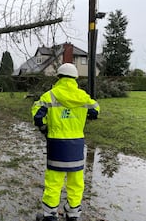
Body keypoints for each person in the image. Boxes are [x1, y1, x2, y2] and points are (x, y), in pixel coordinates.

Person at [31, 63, 100, 221]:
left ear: (59, 77)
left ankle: (49, 215)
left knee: (54, 181)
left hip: (56, 144)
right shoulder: (82, 96)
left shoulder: (50, 95)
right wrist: (81, 117)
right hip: (76, 143)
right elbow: (95, 111)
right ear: (75, 78)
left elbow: (37, 115)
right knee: (76, 181)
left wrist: (44, 129)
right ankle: (73, 214)